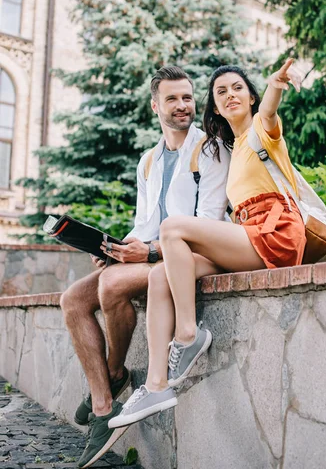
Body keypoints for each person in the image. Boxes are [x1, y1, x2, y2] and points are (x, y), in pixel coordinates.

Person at [108, 58, 307, 430]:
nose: (230, 95)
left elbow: (269, 110)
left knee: (173, 228)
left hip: (274, 235)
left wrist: (276, 84)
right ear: (214, 106)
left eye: (237, 88)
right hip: (248, 236)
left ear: (250, 97)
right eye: (220, 92)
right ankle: (156, 385)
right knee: (160, 277)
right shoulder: (227, 147)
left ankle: (187, 333)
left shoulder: (261, 129)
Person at [60, 66, 230, 469]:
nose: (182, 105)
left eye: (187, 97)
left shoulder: (211, 150)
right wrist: (116, 247)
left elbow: (208, 224)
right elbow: (144, 224)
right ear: (156, 105)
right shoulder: (148, 160)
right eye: (172, 99)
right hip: (152, 251)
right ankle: (104, 407)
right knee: (72, 300)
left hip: (189, 257)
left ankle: (116, 373)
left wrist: (149, 253)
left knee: (113, 286)